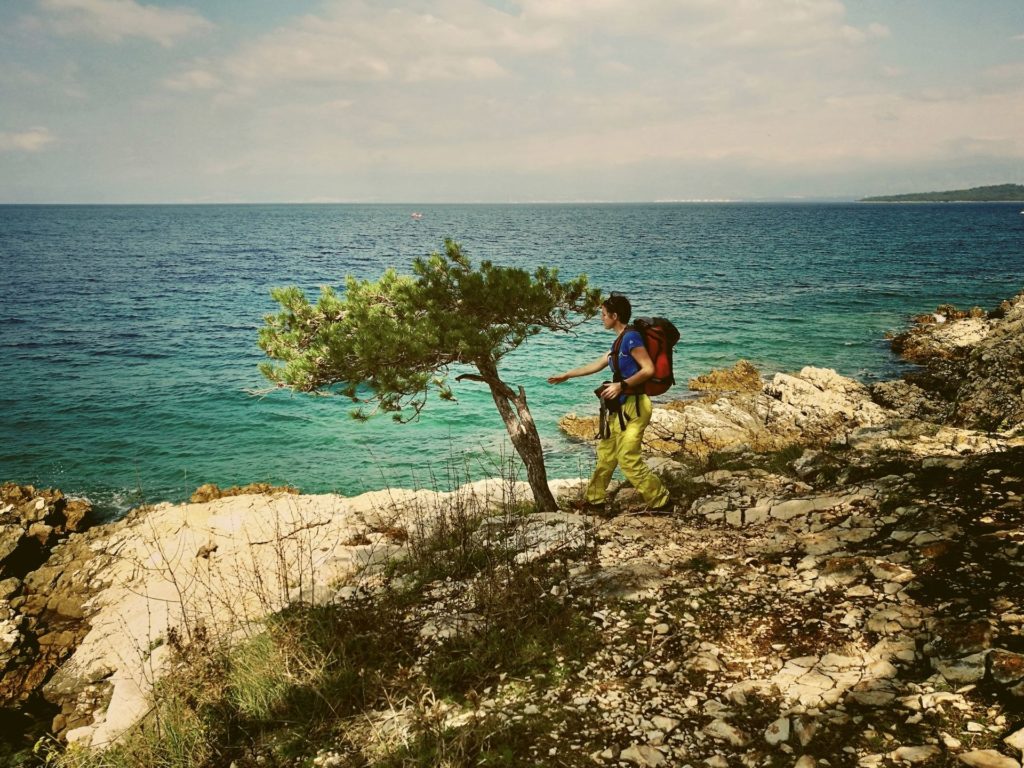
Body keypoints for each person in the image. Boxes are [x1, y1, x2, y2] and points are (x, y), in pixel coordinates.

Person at [548, 292, 672, 514]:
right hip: (619, 410)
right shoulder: (619, 341)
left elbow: (648, 369)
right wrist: (567, 374)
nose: (601, 318)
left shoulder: (631, 339)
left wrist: (621, 386)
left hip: (635, 407)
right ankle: (595, 501)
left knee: (627, 458)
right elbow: (597, 364)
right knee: (606, 455)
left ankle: (661, 502)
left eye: (604, 314)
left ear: (615, 316)